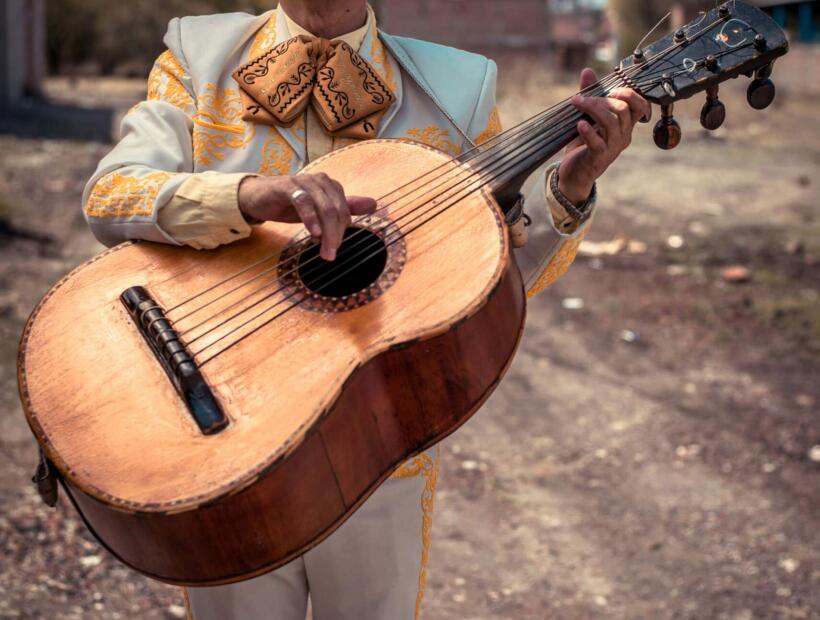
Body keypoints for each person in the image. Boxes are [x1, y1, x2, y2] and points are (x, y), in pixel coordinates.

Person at [82, 1, 649, 618]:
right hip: (224, 429)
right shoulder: (198, 60)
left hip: (379, 442)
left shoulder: (459, 89)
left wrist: (570, 187)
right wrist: (244, 197)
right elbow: (112, 195)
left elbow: (497, 278)